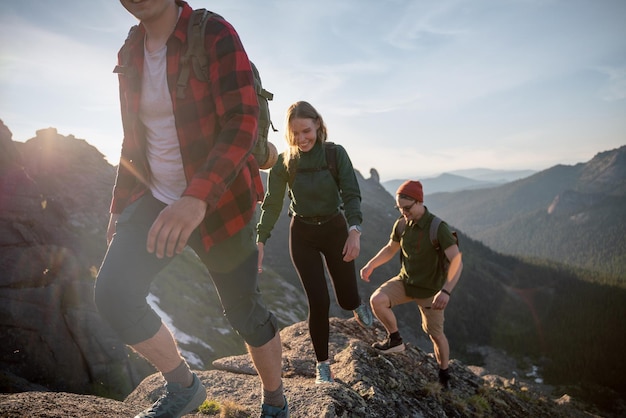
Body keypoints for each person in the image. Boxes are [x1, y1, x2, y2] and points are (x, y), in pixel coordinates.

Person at [95, 1, 287, 417]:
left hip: (222, 203)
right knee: (113, 293)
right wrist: (118, 204)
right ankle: (183, 387)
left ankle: (275, 401)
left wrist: (196, 197)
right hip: (155, 200)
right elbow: (133, 140)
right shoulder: (130, 51)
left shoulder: (214, 33)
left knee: (244, 312)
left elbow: (243, 121)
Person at [256, 101, 373, 384]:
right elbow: (271, 204)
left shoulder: (335, 154)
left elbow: (351, 193)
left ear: (318, 125)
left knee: (345, 298)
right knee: (318, 301)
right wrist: (260, 240)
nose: (302, 138)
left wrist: (354, 230)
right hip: (303, 234)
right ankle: (323, 365)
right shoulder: (285, 162)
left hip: (335, 229)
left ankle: (357, 303)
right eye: (295, 133)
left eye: (306, 130)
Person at [360, 180, 462, 388]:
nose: (404, 212)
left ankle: (444, 373)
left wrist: (446, 291)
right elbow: (391, 248)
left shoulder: (438, 228)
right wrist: (371, 265)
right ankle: (395, 340)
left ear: (419, 202)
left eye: (407, 208)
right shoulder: (401, 224)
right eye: (400, 208)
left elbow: (457, 262)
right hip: (406, 282)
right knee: (377, 300)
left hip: (430, 291)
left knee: (435, 335)